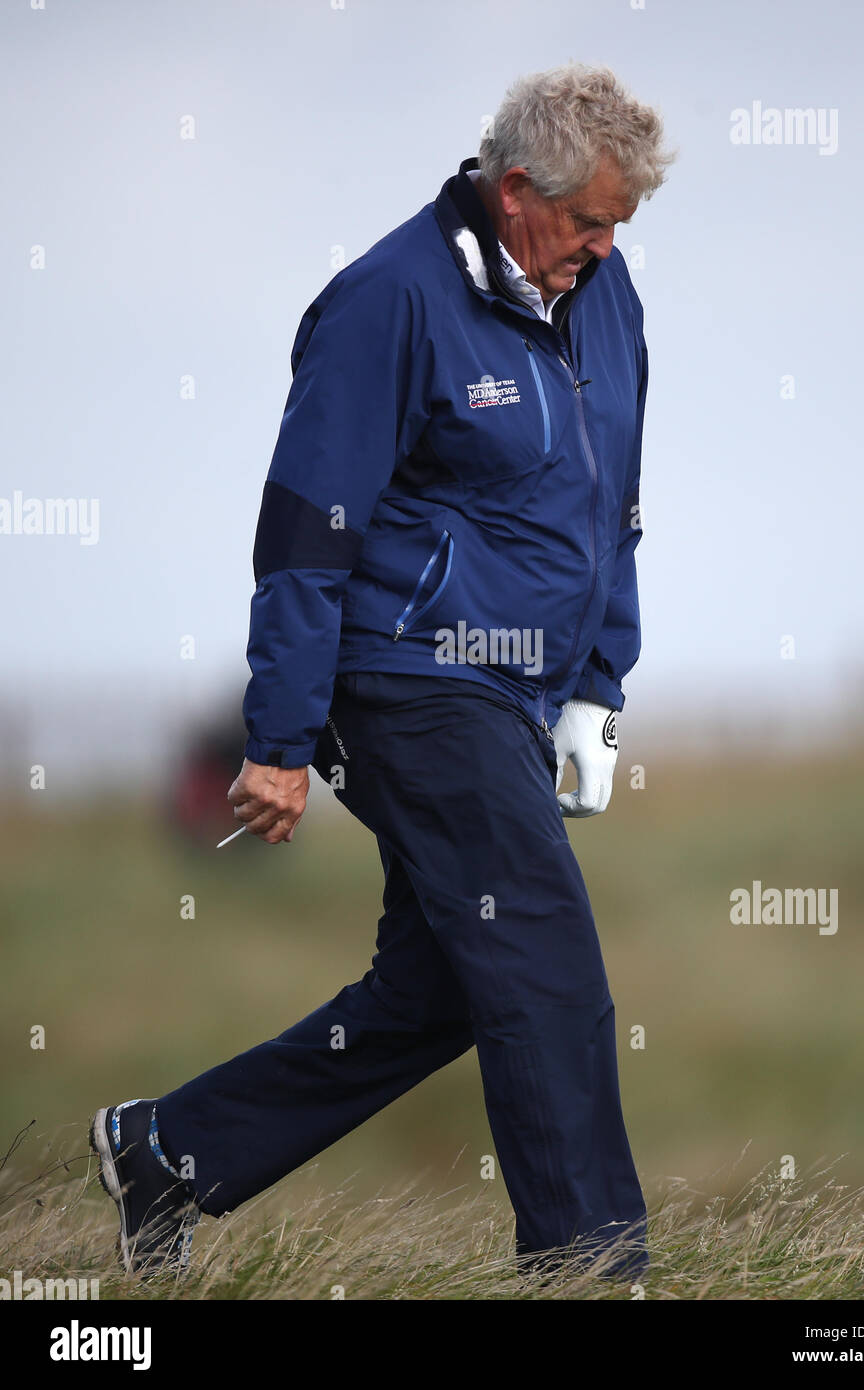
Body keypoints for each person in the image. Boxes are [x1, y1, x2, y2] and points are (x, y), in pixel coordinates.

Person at [90, 61, 674, 1284]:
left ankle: (169, 1152)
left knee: (447, 987)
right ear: (517, 190)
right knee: (544, 958)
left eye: (622, 223)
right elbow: (305, 532)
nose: (607, 249)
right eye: (589, 221)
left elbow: (609, 509)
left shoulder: (606, 303)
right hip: (404, 677)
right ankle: (592, 1271)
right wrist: (281, 737)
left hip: (516, 695)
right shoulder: (386, 302)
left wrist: (594, 690)